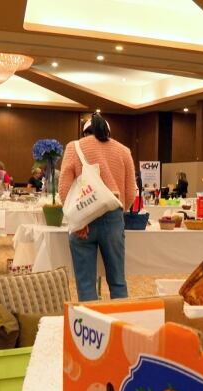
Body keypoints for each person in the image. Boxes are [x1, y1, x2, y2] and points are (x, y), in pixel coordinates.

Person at [59, 112, 136, 301]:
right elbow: (131, 193)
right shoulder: (124, 151)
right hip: (113, 217)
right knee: (118, 281)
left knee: (86, 284)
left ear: (85, 133)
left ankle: (92, 327)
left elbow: (64, 189)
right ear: (108, 132)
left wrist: (78, 218)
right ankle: (121, 324)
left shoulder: (73, 147)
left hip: (83, 219)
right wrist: (117, 213)